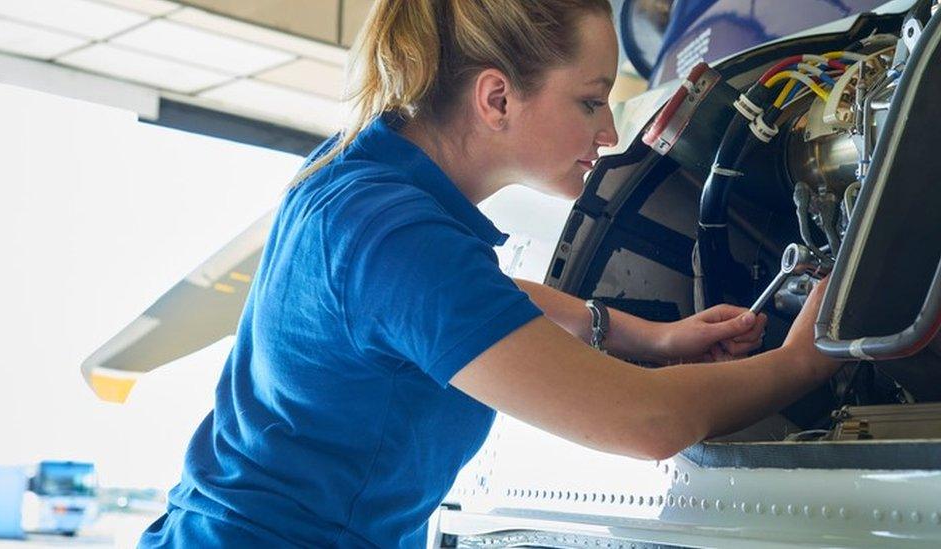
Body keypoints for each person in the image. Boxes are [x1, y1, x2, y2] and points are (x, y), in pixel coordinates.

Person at [139, 0, 840, 547]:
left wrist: (642, 336)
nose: (607, 132)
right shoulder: (395, 236)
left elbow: (470, 299)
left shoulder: (359, 176)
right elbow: (645, 419)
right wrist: (803, 360)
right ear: (497, 98)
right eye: (591, 101)